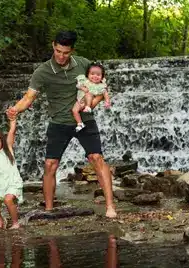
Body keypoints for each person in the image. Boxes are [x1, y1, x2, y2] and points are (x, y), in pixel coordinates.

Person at [6, 30, 117, 218]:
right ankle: (49, 209)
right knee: (50, 164)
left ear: (72, 51)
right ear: (53, 46)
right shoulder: (42, 72)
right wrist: (15, 110)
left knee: (97, 158)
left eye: (65, 53)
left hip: (85, 120)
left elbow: (102, 87)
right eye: (58, 51)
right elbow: (29, 97)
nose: (61, 56)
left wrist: (91, 105)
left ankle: (110, 207)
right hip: (59, 122)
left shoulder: (83, 64)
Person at [73, 62, 111, 131]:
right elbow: (78, 86)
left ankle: (88, 107)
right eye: (92, 74)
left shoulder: (101, 86)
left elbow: (105, 94)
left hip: (88, 102)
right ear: (88, 74)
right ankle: (80, 123)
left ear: (102, 77)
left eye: (98, 75)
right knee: (74, 110)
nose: (95, 76)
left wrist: (107, 101)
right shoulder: (85, 81)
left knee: (88, 94)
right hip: (80, 100)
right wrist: (83, 88)